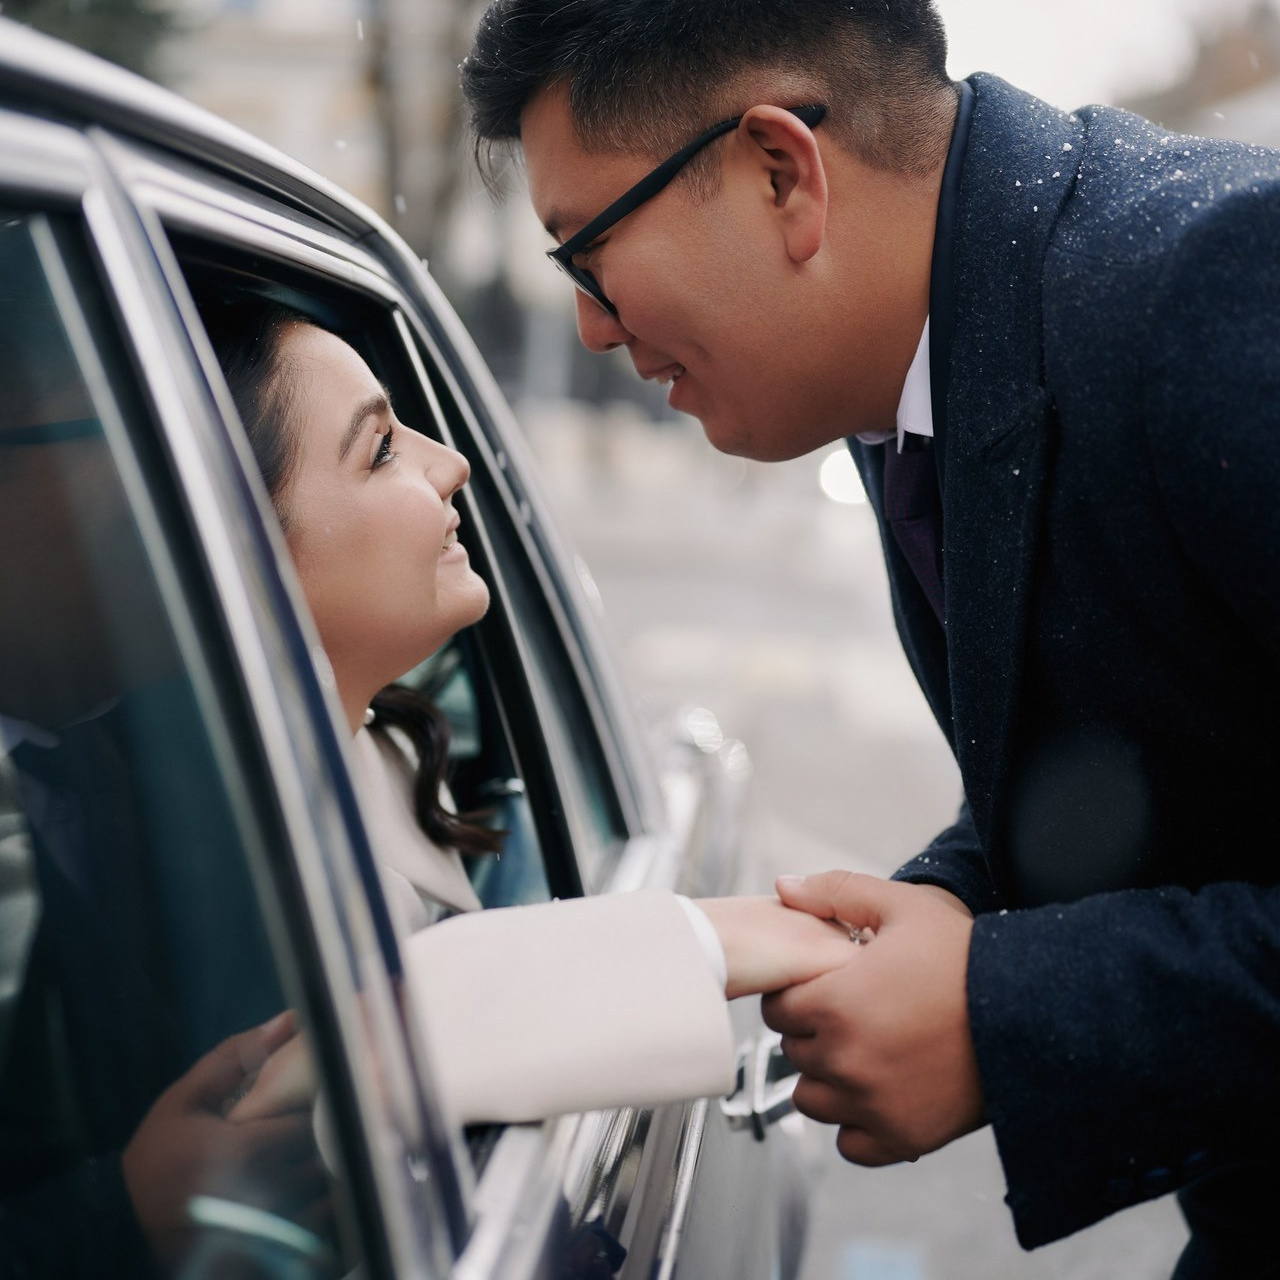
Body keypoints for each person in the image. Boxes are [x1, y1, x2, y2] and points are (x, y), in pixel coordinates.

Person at [458, 1, 1280, 1276]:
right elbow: (1188, 763)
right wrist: (937, 906)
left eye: (584, 253)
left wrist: (1002, 1009)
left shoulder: (1213, 283)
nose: (592, 329)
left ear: (781, 170)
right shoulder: (926, 361)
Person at [202, 301, 853, 1126]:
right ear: (241, 554)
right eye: (383, 449)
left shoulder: (381, 753)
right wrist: (726, 941)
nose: (452, 464)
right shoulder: (210, 870)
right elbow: (358, 1042)